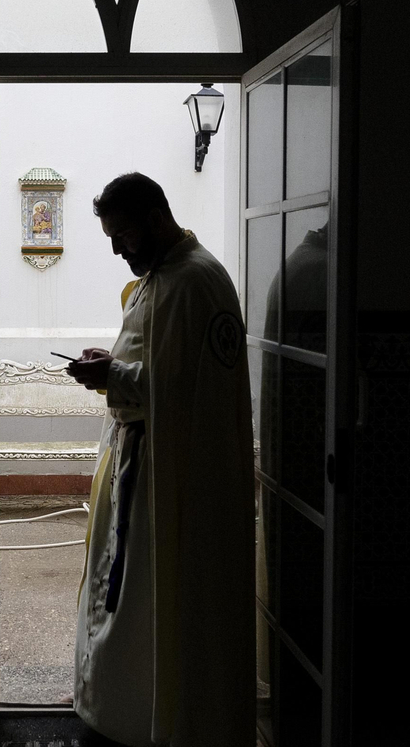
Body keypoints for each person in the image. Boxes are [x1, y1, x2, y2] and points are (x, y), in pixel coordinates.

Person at [64, 172, 257, 746]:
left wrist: (113, 376)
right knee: (127, 594)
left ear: (154, 218)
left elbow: (194, 393)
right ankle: (122, 709)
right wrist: (111, 365)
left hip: (171, 476)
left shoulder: (194, 281)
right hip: (142, 464)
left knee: (155, 599)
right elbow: (156, 360)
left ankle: (151, 719)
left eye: (122, 235)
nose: (117, 250)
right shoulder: (162, 277)